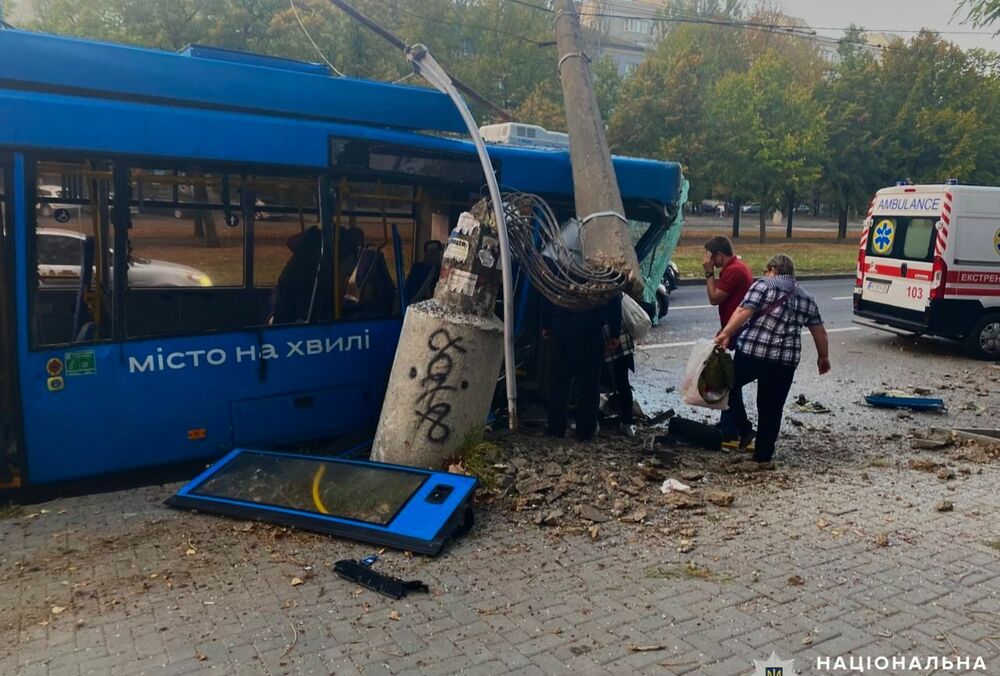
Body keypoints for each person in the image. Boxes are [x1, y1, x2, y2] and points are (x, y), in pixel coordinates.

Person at [714, 254, 831, 466]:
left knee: (727, 385)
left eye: (767, 271)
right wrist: (823, 357)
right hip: (784, 361)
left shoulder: (763, 285)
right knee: (771, 408)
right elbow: (819, 332)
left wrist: (726, 333)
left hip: (753, 353)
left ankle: (744, 429)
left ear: (772, 270)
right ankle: (763, 457)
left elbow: (744, 311)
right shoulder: (805, 297)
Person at [702, 236, 753, 443]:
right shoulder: (737, 267)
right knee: (728, 377)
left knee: (730, 380)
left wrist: (708, 273)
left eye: (711, 257)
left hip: (737, 330)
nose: (709, 261)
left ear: (719, 255)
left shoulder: (733, 271)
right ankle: (728, 425)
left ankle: (736, 428)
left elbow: (714, 298)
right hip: (733, 328)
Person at [541, 298, 609, 442]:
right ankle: (585, 431)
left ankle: (555, 427)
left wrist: (546, 323)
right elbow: (612, 296)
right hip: (591, 326)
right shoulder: (602, 274)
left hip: (561, 325)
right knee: (589, 383)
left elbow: (547, 292)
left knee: (559, 380)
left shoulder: (558, 274)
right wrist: (614, 330)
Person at [602, 294, 636, 437]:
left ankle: (594, 422)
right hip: (620, 334)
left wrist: (614, 335)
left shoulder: (593, 280)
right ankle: (627, 423)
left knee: (596, 379)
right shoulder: (615, 277)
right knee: (622, 380)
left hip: (605, 333)